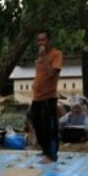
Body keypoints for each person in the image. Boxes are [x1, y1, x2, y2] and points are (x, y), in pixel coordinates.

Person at [30, 30, 63, 163]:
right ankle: (44, 151)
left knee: (49, 128)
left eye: (43, 40)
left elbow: (51, 74)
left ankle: (52, 155)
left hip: (48, 98)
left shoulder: (56, 54)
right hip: (37, 97)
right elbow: (40, 75)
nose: (40, 43)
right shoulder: (39, 58)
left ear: (49, 40)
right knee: (37, 125)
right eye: (39, 40)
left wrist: (44, 58)